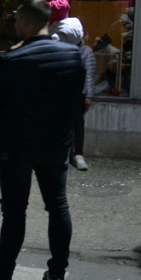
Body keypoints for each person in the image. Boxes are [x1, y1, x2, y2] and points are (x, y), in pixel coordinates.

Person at [0, 0, 85, 280]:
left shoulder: (11, 59)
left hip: (17, 147)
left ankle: (2, 277)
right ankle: (57, 274)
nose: (14, 25)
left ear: (26, 22)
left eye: (16, 20)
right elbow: (76, 100)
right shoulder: (73, 55)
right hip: (56, 145)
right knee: (58, 205)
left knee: (14, 211)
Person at [54, 18, 96, 171]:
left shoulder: (85, 51)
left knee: (77, 124)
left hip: (77, 94)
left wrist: (88, 95)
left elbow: (89, 75)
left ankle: (78, 154)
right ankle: (64, 152)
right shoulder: (62, 48)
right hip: (62, 93)